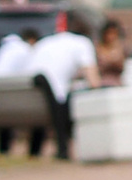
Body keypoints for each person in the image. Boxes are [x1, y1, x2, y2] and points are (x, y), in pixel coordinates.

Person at [27, 9, 102, 161]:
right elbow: (94, 82)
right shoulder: (82, 43)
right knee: (65, 97)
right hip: (53, 98)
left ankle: (34, 151)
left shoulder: (45, 43)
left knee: (52, 94)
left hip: (26, 98)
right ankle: (63, 149)